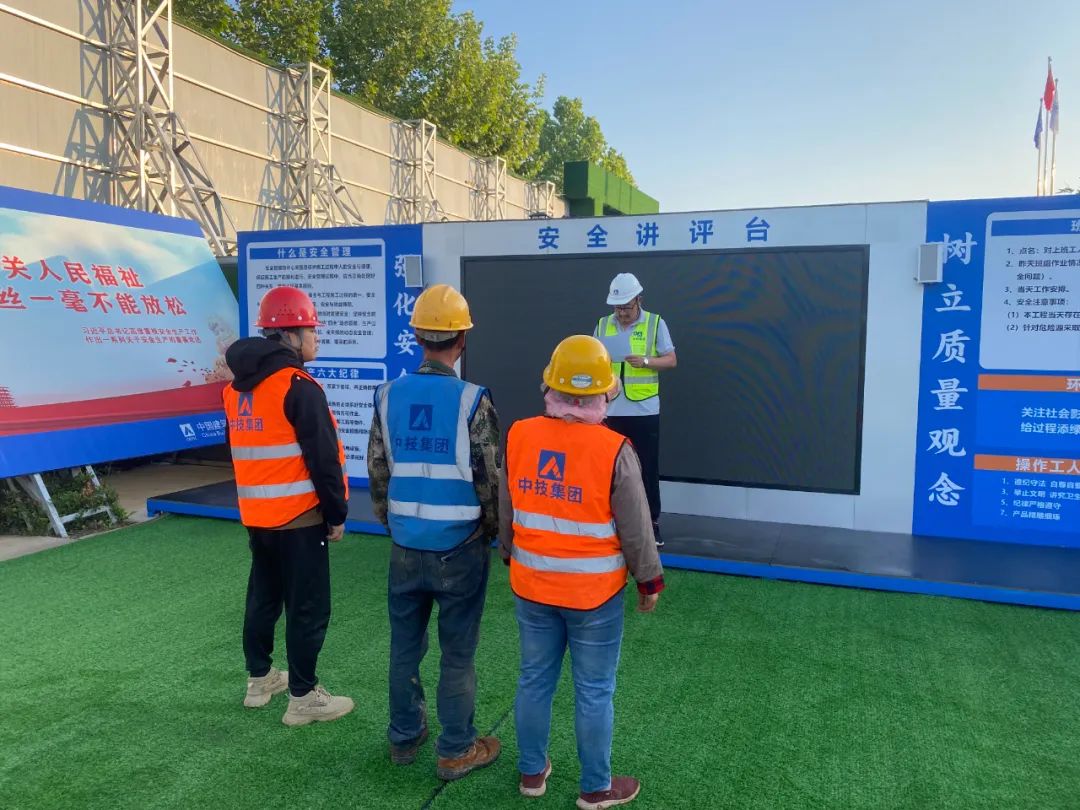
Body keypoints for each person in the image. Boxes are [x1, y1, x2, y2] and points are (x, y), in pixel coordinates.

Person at [499, 334, 665, 810]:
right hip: (595, 597)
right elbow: (636, 527)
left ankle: (532, 773)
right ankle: (595, 788)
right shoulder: (615, 449)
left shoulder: (520, 434)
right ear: (604, 393)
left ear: (549, 386)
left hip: (532, 587)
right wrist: (649, 581)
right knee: (593, 692)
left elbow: (507, 505)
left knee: (534, 680)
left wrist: (509, 551)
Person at [367, 283, 502, 781]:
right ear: (461, 340)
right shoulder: (472, 400)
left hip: (405, 545)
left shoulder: (387, 395)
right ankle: (456, 749)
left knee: (404, 646)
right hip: (460, 547)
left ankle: (404, 737)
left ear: (419, 337)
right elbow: (490, 479)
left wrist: (395, 524)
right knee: (457, 653)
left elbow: (377, 471)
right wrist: (491, 533)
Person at [222, 285, 353, 727]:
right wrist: (336, 514)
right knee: (308, 607)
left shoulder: (235, 390)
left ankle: (260, 680)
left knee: (263, 597)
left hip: (256, 517)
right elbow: (324, 459)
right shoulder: (298, 387)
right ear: (291, 336)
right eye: (311, 329)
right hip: (298, 518)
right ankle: (303, 696)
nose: (316, 337)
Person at [594, 273, 677, 547]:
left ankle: (651, 524)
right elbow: (593, 359)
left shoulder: (655, 322)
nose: (621, 313)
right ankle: (609, 523)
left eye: (626, 308)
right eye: (617, 308)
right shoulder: (603, 324)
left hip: (643, 410)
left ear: (639, 300)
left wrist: (646, 361)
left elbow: (671, 360)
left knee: (646, 469)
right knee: (608, 469)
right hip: (609, 409)